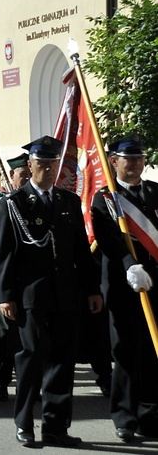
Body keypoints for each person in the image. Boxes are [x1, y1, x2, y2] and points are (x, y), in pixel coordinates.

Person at [0, 136, 102, 447]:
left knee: (61, 362)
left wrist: (92, 288)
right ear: (30, 166)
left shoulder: (68, 201)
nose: (48, 169)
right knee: (30, 359)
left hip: (65, 295)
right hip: (30, 295)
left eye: (53, 164)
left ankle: (56, 427)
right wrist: (6, 295)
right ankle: (24, 424)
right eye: (42, 164)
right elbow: (4, 252)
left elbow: (81, 251)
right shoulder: (14, 203)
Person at [91, 134, 158, 442]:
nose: (135, 164)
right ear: (114, 162)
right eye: (128, 159)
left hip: (155, 285)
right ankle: (124, 416)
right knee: (126, 352)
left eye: (139, 158)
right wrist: (129, 264)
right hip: (123, 285)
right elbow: (106, 238)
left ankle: (149, 413)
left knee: (152, 351)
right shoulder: (105, 198)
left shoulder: (154, 192)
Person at [0, 152, 30, 401]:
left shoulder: (30, 199)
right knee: (3, 330)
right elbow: (3, 230)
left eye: (30, 174)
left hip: (26, 275)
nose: (27, 179)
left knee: (25, 332)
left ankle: (27, 383)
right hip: (1, 274)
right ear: (11, 176)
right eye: (23, 175)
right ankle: (1, 381)